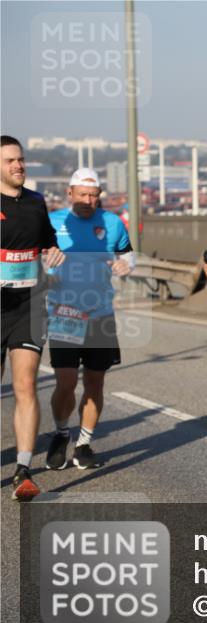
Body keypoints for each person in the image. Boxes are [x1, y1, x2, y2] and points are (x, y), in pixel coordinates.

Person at [44, 168, 134, 471]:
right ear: (70, 194)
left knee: (95, 381)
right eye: (82, 195)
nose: (88, 201)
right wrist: (45, 270)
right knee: (66, 382)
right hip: (64, 314)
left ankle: (83, 443)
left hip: (100, 315)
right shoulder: (53, 221)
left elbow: (128, 255)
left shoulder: (111, 223)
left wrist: (125, 264)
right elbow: (35, 258)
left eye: (93, 196)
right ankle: (60, 432)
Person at [1, 135, 65, 500]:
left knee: (25, 385)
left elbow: (48, 243)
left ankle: (23, 470)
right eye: (11, 161)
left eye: (21, 160)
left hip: (29, 305)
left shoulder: (37, 203)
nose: (19, 166)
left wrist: (54, 254)